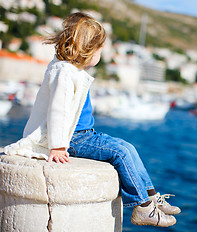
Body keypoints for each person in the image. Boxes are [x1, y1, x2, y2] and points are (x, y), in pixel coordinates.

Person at [3, 12, 180, 227]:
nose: (101, 54)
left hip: (85, 134)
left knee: (128, 147)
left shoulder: (71, 69)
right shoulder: (64, 72)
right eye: (100, 49)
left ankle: (151, 198)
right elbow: (57, 110)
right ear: (88, 49)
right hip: (73, 139)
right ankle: (142, 207)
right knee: (121, 152)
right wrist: (58, 146)